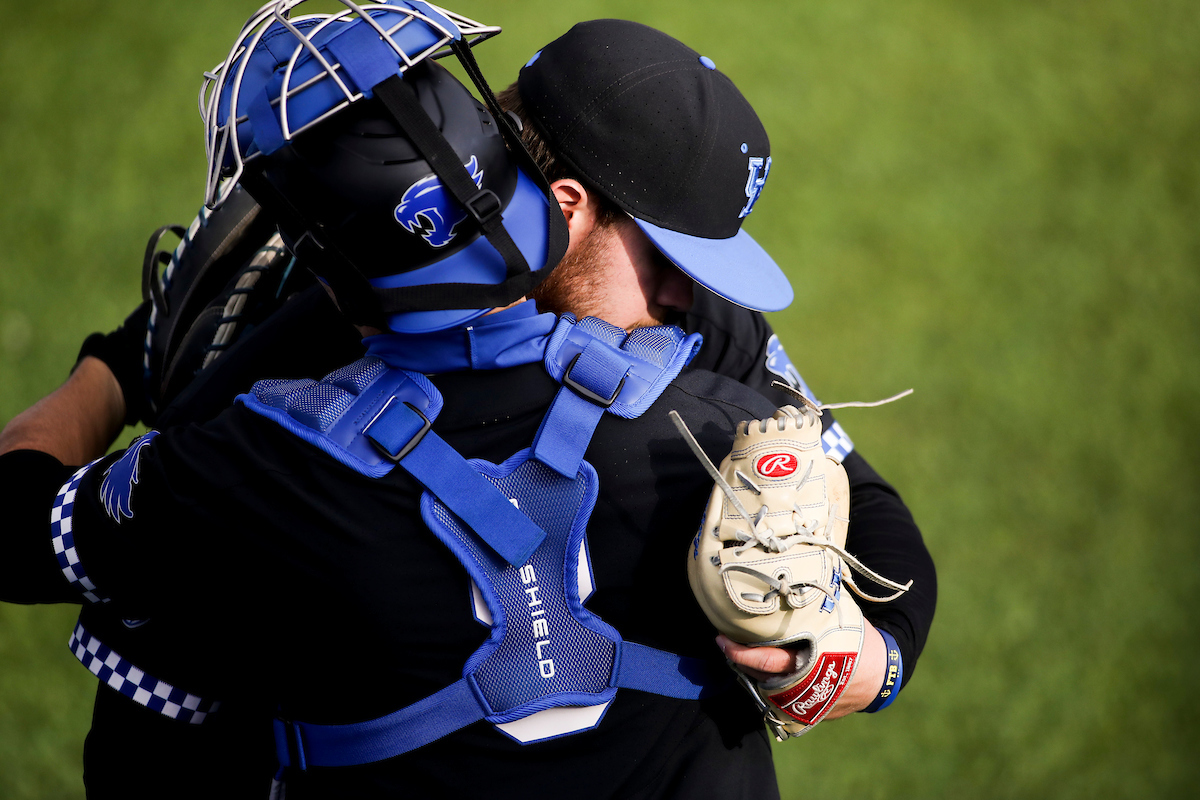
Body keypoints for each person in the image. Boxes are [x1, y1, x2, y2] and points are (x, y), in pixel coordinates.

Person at [0, 7, 935, 799]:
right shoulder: (282, 381)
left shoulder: (691, 326)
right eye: (671, 257)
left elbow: (876, 514)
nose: (690, 298)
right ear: (567, 205)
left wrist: (870, 660)